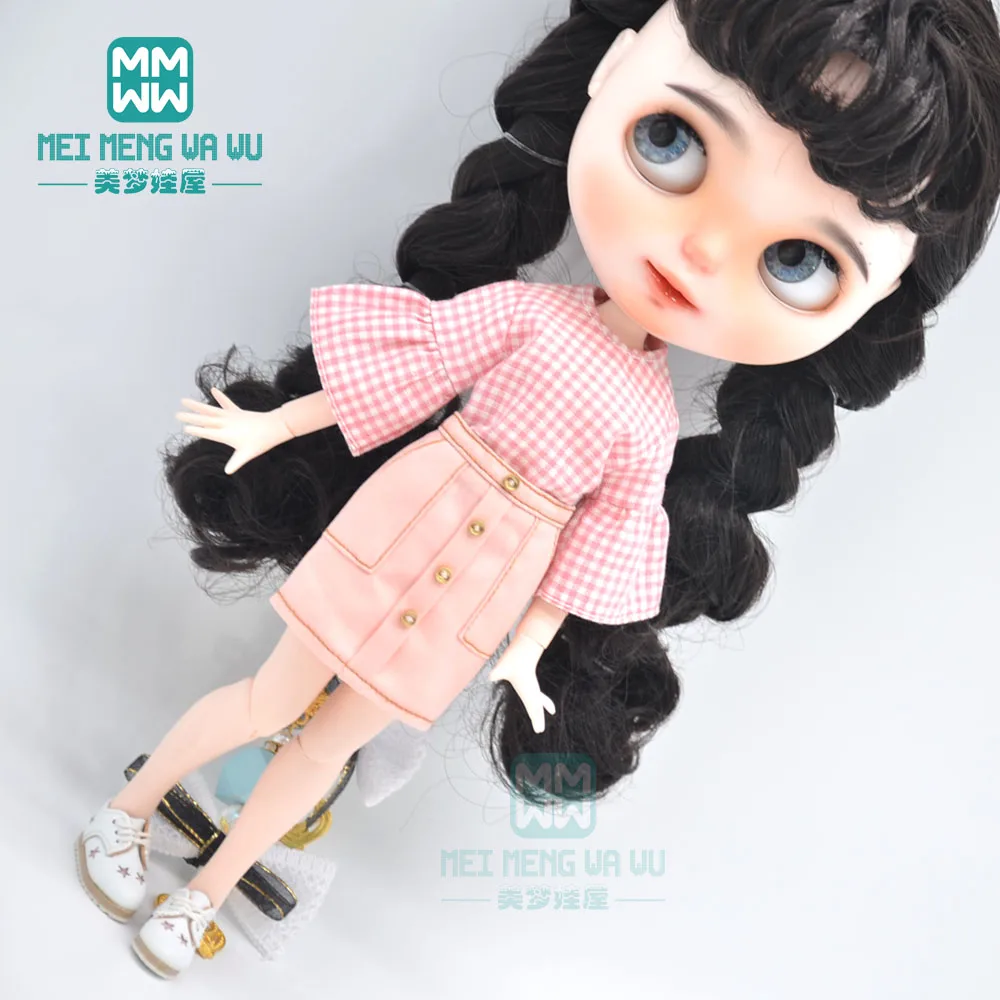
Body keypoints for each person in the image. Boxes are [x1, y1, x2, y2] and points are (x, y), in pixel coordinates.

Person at [75, 0, 1000, 979]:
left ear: (870, 311)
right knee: (271, 700)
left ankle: (205, 894)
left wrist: (523, 652)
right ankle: (126, 815)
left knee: (323, 749)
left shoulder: (651, 425)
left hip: (479, 598)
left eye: (797, 261)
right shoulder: (526, 313)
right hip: (401, 522)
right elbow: (409, 373)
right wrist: (274, 425)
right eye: (672, 139)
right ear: (610, 70)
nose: (698, 251)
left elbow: (596, 548)